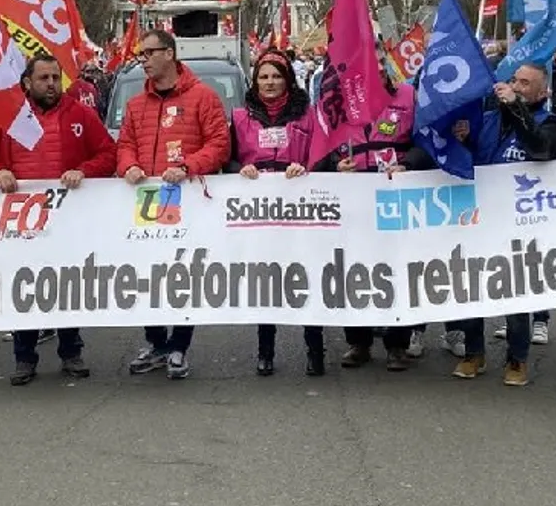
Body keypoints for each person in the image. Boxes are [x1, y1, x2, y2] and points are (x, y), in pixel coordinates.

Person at [0, 53, 116, 385]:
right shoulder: (8, 119)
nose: (52, 84)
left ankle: (71, 352)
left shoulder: (81, 114)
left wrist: (84, 170)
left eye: (56, 77)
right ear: (28, 83)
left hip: (66, 223)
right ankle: (24, 358)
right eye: (44, 78)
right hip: (22, 225)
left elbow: (108, 153)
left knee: (65, 287)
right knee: (24, 288)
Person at [117, 29, 231, 380]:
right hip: (146, 205)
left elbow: (219, 145)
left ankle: (179, 346)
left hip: (188, 202)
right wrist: (128, 165)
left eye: (149, 53)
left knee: (184, 276)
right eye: (141, 55)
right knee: (147, 276)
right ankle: (156, 343)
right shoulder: (136, 104)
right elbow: (124, 145)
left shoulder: (203, 97)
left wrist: (187, 167)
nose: (144, 60)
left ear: (169, 53)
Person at [447, 64, 556, 386]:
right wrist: (464, 141)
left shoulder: (548, 121)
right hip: (479, 217)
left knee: (515, 290)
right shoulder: (487, 119)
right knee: (471, 284)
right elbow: (472, 160)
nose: (516, 86)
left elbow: (541, 149)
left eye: (526, 84)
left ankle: (517, 358)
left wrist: (516, 107)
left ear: (543, 93)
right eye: (514, 80)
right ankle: (473, 352)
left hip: (520, 222)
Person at [227, 49, 325, 376]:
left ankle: (315, 349)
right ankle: (265, 351)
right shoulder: (241, 116)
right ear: (255, 81)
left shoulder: (307, 114)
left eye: (276, 76)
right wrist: (241, 169)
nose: (270, 83)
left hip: (299, 205)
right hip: (259, 209)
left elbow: (322, 156)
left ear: (288, 79)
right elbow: (227, 159)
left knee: (306, 276)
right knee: (266, 281)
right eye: (264, 77)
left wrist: (306, 167)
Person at [318, 52, 417, 372]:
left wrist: (409, 163)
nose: (374, 74)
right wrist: (335, 165)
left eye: (379, 67)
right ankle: (358, 341)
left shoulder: (408, 97)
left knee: (397, 270)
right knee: (354, 271)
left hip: (395, 198)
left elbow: (428, 141)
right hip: (353, 199)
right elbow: (320, 149)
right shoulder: (341, 102)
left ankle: (398, 343)